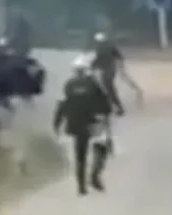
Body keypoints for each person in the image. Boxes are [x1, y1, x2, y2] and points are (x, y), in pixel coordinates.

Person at [53, 55, 113, 195]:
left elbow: (62, 105)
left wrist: (57, 123)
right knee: (102, 149)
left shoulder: (68, 85)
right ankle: (94, 176)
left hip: (75, 124)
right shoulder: (94, 84)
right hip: (93, 123)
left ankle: (81, 187)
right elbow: (105, 103)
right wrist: (106, 115)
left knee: (80, 156)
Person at [90, 31, 126, 116]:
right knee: (108, 87)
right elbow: (119, 56)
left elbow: (99, 59)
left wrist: (92, 66)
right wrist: (121, 65)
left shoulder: (100, 48)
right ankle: (115, 106)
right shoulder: (110, 45)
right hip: (110, 68)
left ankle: (117, 107)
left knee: (108, 87)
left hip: (108, 69)